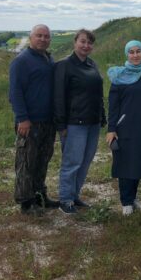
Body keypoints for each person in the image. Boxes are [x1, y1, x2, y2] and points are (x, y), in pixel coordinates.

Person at [54, 29, 106, 215]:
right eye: (82, 41)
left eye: (89, 42)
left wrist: (102, 116)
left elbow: (98, 94)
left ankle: (74, 195)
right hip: (74, 123)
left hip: (93, 122)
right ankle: (65, 200)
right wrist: (61, 125)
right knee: (72, 162)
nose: (86, 45)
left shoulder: (92, 64)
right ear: (75, 42)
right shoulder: (64, 65)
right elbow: (58, 97)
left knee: (85, 162)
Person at [8, 24, 58, 215]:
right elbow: (15, 92)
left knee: (42, 160)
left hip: (48, 121)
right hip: (29, 122)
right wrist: (22, 118)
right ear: (31, 38)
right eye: (39, 35)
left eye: (46, 36)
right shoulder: (22, 61)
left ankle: (39, 195)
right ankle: (26, 202)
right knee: (26, 163)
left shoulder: (48, 59)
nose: (43, 39)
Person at [107, 40, 141, 216]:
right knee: (125, 164)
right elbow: (113, 106)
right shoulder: (119, 77)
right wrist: (111, 129)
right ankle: (126, 201)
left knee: (138, 163)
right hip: (124, 127)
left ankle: (133, 197)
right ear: (127, 54)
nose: (135, 55)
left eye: (138, 51)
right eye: (131, 52)